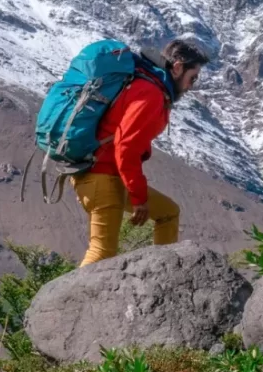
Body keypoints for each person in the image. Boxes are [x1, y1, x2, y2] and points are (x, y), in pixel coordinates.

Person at [70, 39, 209, 266]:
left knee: (168, 213)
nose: (192, 85)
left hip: (103, 174)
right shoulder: (150, 92)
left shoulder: (149, 86)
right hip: (100, 176)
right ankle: (69, 302)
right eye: (192, 77)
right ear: (177, 67)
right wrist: (139, 198)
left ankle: (163, 278)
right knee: (101, 253)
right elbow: (125, 147)